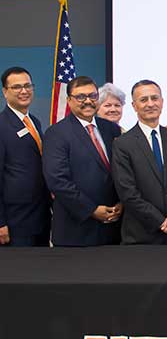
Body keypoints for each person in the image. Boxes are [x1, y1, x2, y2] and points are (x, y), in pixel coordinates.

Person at [112, 79, 167, 245]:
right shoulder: (122, 144)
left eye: (154, 98)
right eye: (143, 100)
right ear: (134, 106)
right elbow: (128, 193)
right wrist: (161, 221)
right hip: (141, 236)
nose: (150, 104)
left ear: (162, 102)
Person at [42, 76, 122, 246]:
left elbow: (121, 172)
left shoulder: (111, 129)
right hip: (76, 230)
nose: (88, 101)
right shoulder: (56, 133)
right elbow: (58, 181)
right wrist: (91, 210)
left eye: (92, 96)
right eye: (80, 97)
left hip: (113, 226)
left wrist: (122, 203)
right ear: (69, 100)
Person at [0, 66, 50, 246]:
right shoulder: (2, 125)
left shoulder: (34, 121)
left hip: (40, 216)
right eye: (17, 87)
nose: (24, 91)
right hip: (15, 221)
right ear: (5, 92)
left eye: (28, 86)